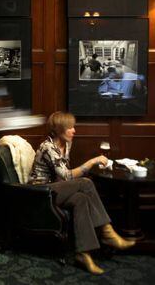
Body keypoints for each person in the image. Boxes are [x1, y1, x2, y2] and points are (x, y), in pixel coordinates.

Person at [29, 111, 135, 275]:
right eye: (70, 128)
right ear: (58, 130)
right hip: (40, 194)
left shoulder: (66, 144)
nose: (74, 131)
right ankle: (107, 233)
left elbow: (63, 178)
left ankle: (83, 254)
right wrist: (92, 162)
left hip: (56, 190)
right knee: (86, 183)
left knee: (81, 198)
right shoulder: (47, 147)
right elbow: (66, 176)